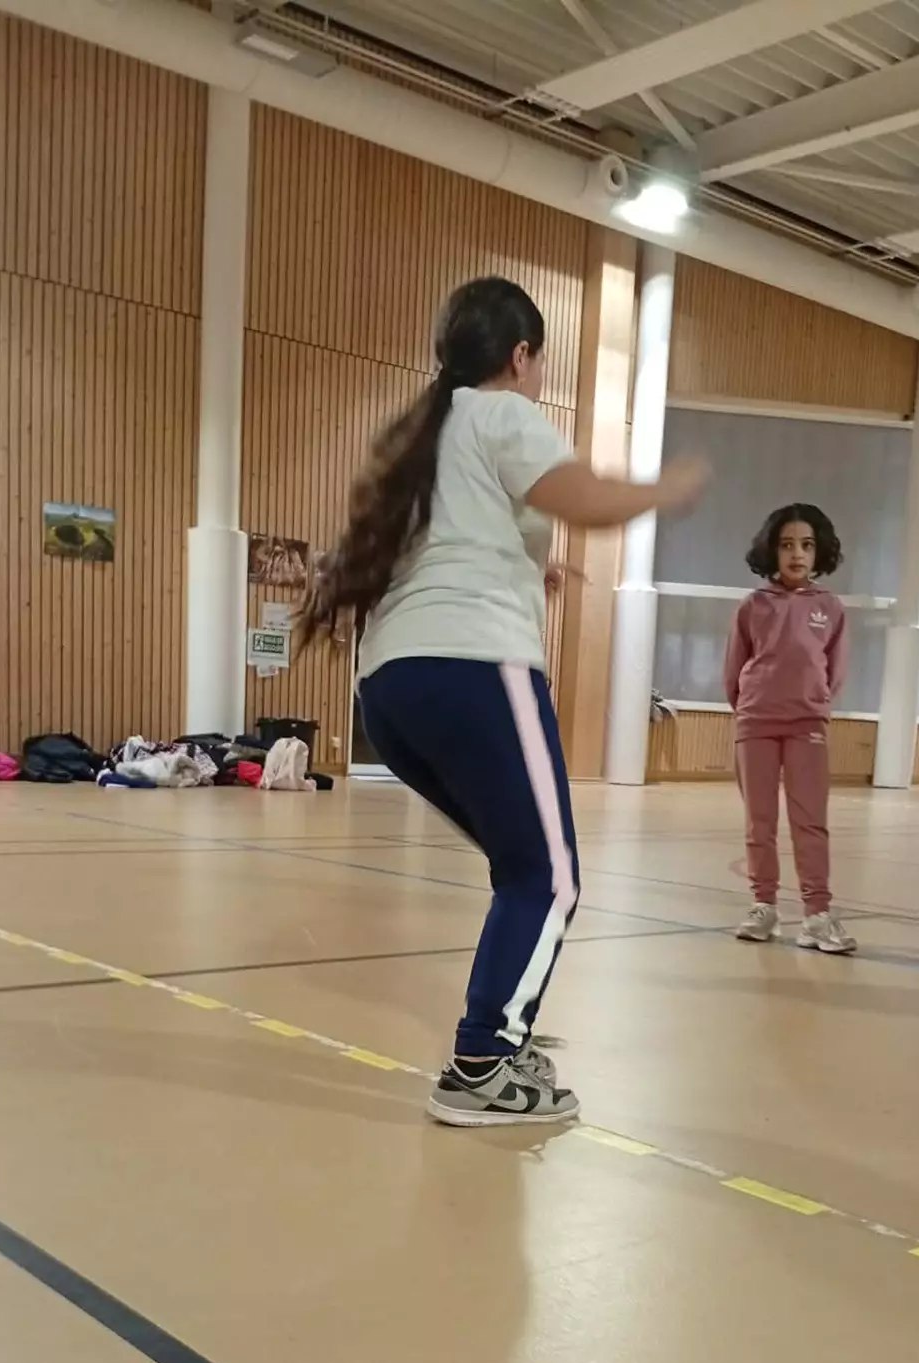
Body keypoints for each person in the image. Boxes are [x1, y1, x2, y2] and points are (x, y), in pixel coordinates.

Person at [297, 275, 707, 1125]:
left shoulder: (424, 435)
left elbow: (445, 545)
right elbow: (583, 498)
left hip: (392, 691)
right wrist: (662, 491)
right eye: (537, 361)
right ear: (521, 356)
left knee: (521, 865)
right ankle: (480, 1065)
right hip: (478, 667)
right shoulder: (502, 413)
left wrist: (529, 568)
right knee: (547, 876)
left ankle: (500, 1037)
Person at [724, 503, 856, 954]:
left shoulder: (830, 608)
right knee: (759, 822)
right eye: (786, 545)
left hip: (807, 725)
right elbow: (734, 670)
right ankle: (763, 906)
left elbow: (835, 670)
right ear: (772, 551)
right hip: (756, 722)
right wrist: (750, 708)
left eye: (806, 545)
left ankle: (817, 915)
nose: (797, 554)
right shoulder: (753, 606)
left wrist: (815, 705)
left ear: (819, 552)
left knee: (810, 821)